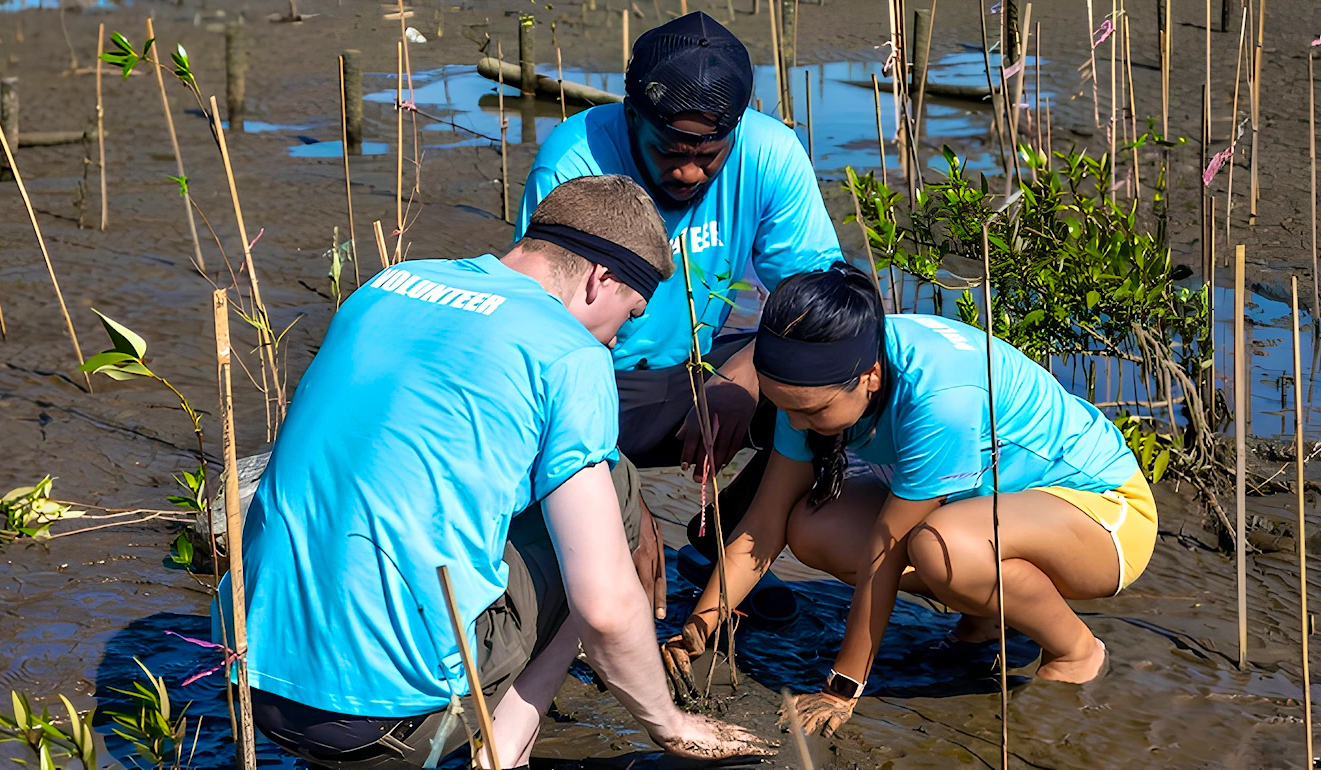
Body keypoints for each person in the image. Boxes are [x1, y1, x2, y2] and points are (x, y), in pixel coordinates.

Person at [234, 176, 773, 768]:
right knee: (612, 485)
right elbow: (604, 608)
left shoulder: (387, 284)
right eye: (630, 314)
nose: (618, 340)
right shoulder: (572, 353)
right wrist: (670, 726)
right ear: (602, 279)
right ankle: (501, 754)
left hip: (254, 687)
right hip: (384, 728)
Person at [661, 263, 1157, 737]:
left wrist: (843, 686)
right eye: (782, 404)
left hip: (1104, 515)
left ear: (871, 377)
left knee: (942, 547)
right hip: (997, 511)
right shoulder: (818, 380)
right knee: (814, 526)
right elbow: (763, 522)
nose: (793, 424)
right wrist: (702, 624)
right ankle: (983, 620)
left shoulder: (937, 393)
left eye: (810, 411)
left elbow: (887, 544)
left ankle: (1075, 650)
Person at [515, 12, 843, 562]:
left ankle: (727, 548)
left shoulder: (771, 153)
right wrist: (622, 495)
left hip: (698, 371)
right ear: (632, 116)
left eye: (708, 156)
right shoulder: (576, 161)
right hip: (599, 381)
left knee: (838, 384)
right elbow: (546, 349)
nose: (689, 173)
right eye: (671, 151)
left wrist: (750, 369)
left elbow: (825, 303)